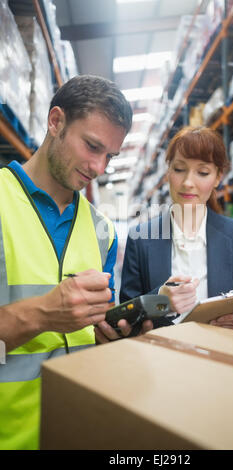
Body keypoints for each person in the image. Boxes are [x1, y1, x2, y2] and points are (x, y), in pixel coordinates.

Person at [0, 75, 152, 450]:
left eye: (110, 156)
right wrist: (42, 314)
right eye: (92, 146)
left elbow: (93, 337)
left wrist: (116, 336)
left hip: (80, 429)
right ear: (56, 122)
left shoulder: (102, 231)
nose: (99, 167)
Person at [120, 126, 233, 335]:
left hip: (222, 358)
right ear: (168, 171)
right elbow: (125, 319)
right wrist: (160, 300)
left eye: (203, 172)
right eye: (179, 169)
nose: (188, 183)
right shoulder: (140, 238)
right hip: (161, 360)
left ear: (217, 177)